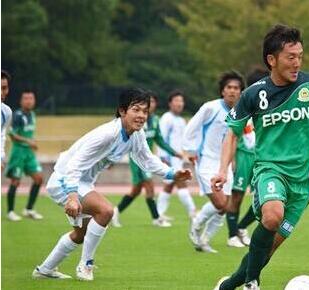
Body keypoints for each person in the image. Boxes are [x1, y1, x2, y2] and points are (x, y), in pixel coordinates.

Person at [211, 24, 309, 290]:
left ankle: (229, 285)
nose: (297, 63)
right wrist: (222, 170)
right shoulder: (253, 94)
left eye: (300, 56)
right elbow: (232, 133)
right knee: (272, 216)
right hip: (270, 170)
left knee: (267, 250)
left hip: (304, 181)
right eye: (290, 57)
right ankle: (251, 282)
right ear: (271, 60)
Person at [33, 88, 191, 280]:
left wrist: (173, 174)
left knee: (80, 234)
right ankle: (86, 265)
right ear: (123, 111)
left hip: (82, 183)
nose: (142, 115)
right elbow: (73, 166)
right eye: (136, 109)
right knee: (106, 210)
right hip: (65, 180)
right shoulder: (108, 134)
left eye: (145, 111)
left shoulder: (136, 135)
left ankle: (44, 270)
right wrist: (73, 198)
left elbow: (147, 160)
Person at [183, 70, 244, 253]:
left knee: (225, 207)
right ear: (222, 90)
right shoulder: (210, 108)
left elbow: (235, 138)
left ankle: (205, 240)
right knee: (220, 203)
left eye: (236, 88)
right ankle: (196, 224)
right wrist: (191, 150)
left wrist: (231, 161)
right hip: (207, 162)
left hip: (225, 166)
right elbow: (191, 127)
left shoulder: (241, 112)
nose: (233, 91)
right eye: (229, 87)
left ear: (241, 91)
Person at [111, 93, 183, 228]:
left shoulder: (155, 120)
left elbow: (160, 141)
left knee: (136, 191)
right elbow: (122, 140)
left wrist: (174, 153)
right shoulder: (136, 121)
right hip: (136, 160)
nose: (151, 105)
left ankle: (115, 211)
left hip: (148, 160)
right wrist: (113, 159)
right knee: (150, 187)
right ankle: (157, 219)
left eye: (153, 102)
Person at [226, 68, 269, 248]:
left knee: (262, 198)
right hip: (243, 156)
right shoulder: (243, 105)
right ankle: (232, 235)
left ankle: (241, 227)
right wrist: (232, 159)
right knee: (236, 197)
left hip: (259, 157)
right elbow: (232, 134)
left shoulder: (267, 105)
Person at [157, 90, 196, 224]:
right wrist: (163, 158)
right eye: (176, 101)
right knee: (181, 184)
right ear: (170, 103)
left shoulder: (180, 120)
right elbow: (161, 139)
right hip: (169, 159)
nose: (180, 104)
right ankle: (192, 212)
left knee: (169, 186)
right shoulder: (166, 118)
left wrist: (187, 155)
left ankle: (159, 214)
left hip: (178, 158)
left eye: (181, 101)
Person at [6, 90, 43, 221]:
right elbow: (12, 135)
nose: (29, 101)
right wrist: (28, 141)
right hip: (18, 152)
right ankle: (10, 212)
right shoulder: (17, 115)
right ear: (21, 101)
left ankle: (29, 209)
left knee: (39, 179)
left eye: (31, 98)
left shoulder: (32, 114)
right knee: (15, 181)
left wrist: (32, 142)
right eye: (26, 98)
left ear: (34, 101)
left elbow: (28, 133)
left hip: (29, 153)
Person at [1, 70, 13, 171]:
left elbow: (1, 135)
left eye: (4, 88)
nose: (1, 92)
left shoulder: (6, 112)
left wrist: (1, 156)